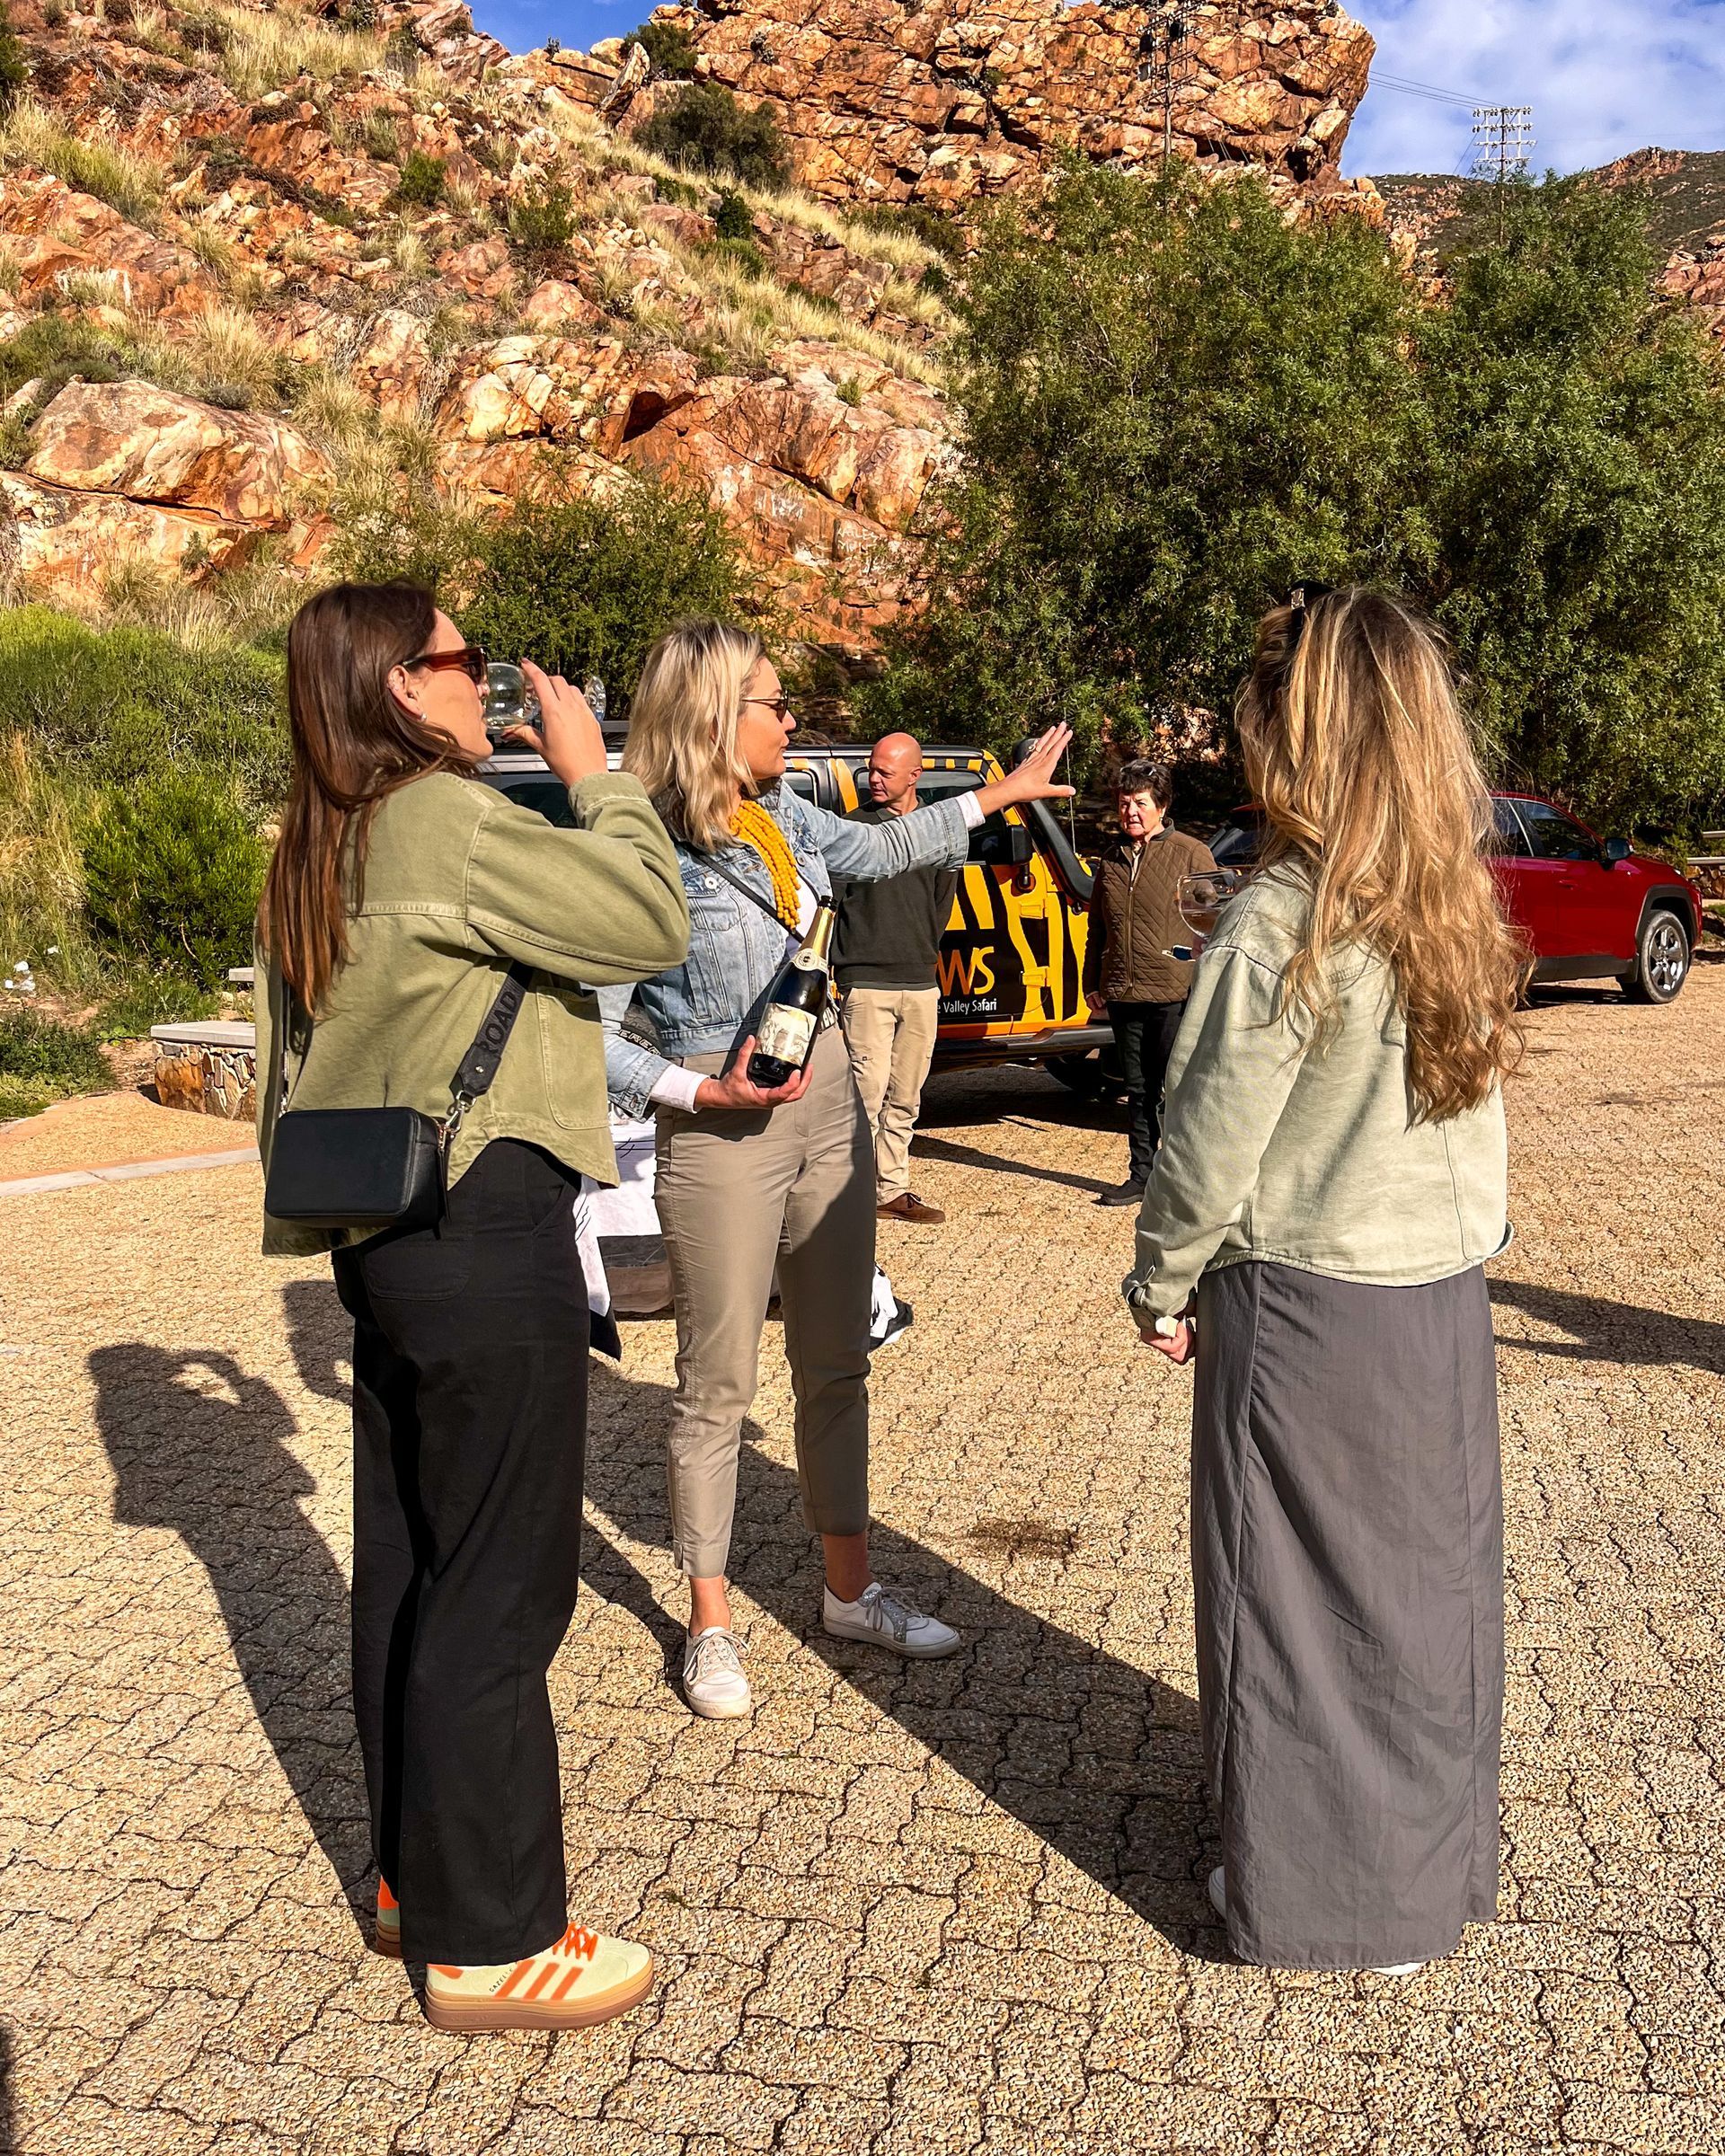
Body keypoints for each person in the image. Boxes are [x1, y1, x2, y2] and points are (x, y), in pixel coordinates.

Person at [255, 583, 689, 2032]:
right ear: (401, 687)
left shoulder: (318, 838)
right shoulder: (444, 818)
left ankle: (414, 1882)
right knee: (502, 1577)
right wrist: (596, 776)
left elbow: (287, 1065)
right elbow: (647, 921)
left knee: (411, 1562)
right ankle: (496, 1940)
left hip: (380, 1233)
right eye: (464, 659)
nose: (486, 680)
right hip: (484, 1225)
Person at [1124, 587, 1524, 1975]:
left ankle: (1322, 1906)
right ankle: (1420, 1880)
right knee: (1424, 1601)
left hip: (1305, 1304)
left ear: (1295, 735)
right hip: (1438, 1299)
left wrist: (1161, 1285)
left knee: (1287, 1603)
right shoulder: (1448, 901)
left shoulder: (1284, 922)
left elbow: (1206, 1146)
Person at [602, 620, 1075, 1719]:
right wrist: (698, 1094)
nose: (792, 720)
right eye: (774, 703)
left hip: (828, 1111)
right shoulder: (645, 847)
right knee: (715, 1386)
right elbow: (592, 1033)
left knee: (836, 1361)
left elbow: (882, 850)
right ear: (716, 716)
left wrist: (999, 797)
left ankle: (850, 1594)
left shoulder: (786, 817)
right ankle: (709, 1624)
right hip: (721, 1127)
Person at [835, 730, 958, 1226]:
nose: (874, 778)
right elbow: (832, 903)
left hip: (920, 981)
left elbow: (941, 905)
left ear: (915, 775)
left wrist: (921, 952)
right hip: (865, 983)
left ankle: (891, 1190)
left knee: (906, 1096)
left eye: (885, 771)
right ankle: (850, 1195)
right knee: (864, 1095)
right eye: (871, 769)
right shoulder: (852, 829)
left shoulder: (937, 833)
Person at [1084, 758, 1215, 1206]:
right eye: (1124, 803)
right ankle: (1141, 1175)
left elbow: (1213, 923)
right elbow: (1097, 926)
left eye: (1140, 803)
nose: (1131, 812)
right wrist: (1092, 980)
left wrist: (1204, 977)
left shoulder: (1192, 853)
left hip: (1175, 991)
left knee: (1176, 1089)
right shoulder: (1111, 859)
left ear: (1162, 805)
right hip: (1125, 990)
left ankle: (1182, 1182)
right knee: (1137, 1090)